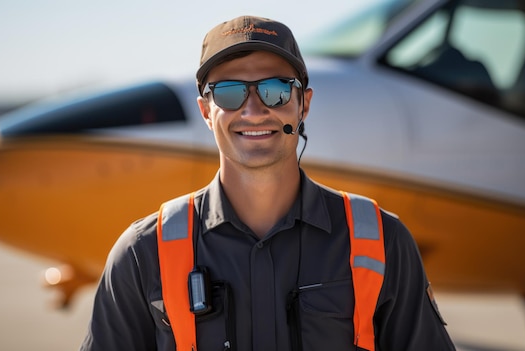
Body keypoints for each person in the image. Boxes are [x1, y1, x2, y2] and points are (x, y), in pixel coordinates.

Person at [80, 15, 455, 351]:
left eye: (275, 89)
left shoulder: (380, 241)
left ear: (303, 104)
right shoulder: (143, 253)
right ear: (206, 112)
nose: (254, 110)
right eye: (229, 91)